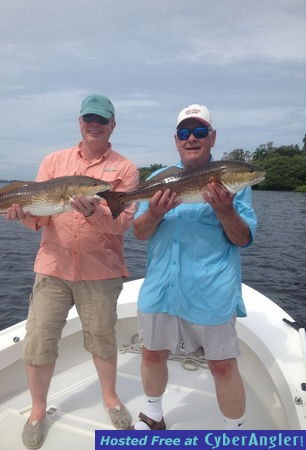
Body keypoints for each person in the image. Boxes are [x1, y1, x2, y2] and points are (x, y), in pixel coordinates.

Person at [6, 94, 139, 448]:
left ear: (113, 124)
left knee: (103, 338)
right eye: (88, 118)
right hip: (53, 267)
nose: (94, 124)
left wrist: (92, 212)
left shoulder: (125, 170)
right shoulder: (54, 162)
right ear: (80, 122)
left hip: (101, 271)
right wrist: (24, 214)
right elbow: (40, 214)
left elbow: (122, 224)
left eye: (102, 119)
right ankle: (37, 410)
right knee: (39, 340)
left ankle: (110, 398)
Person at [131, 104, 257, 430]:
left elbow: (242, 238)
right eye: (185, 132)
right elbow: (140, 232)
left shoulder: (233, 184)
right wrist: (155, 213)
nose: (192, 138)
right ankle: (153, 416)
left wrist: (226, 210)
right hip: (162, 287)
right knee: (151, 354)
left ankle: (234, 433)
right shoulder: (159, 179)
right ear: (176, 140)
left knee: (223, 366)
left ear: (212, 138)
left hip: (211, 290)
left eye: (200, 131)